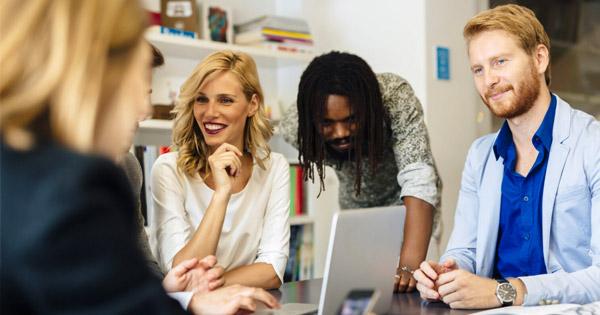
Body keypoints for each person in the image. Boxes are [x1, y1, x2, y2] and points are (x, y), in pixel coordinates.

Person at [0, 0, 278, 314]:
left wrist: (178, 295)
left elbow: (113, 291)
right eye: (133, 87)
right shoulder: (67, 192)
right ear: (87, 78)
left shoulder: (31, 172)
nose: (145, 111)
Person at [414, 4, 600, 309]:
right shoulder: (481, 155)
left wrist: (506, 291)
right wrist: (446, 273)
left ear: (539, 58)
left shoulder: (593, 144)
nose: (489, 80)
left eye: (500, 61)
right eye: (478, 69)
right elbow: (464, 251)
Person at [278, 51, 442, 292]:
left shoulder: (394, 97)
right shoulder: (295, 127)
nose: (341, 132)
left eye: (352, 119)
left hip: (414, 210)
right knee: (359, 294)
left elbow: (418, 178)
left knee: (415, 292)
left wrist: (408, 267)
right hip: (356, 211)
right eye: (327, 124)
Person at [150, 50, 290, 289]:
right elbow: (182, 273)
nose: (210, 113)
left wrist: (208, 282)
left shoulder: (274, 167)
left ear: (252, 105)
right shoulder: (168, 169)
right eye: (201, 99)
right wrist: (221, 194)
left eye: (225, 100)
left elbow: (272, 271)